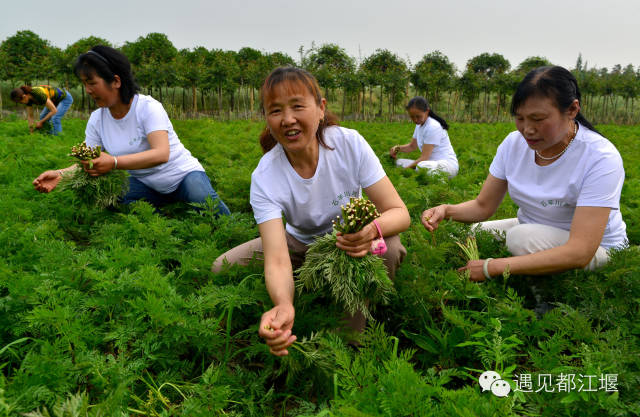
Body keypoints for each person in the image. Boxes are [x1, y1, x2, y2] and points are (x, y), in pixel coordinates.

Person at [211, 67, 410, 356]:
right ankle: (307, 286)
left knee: (388, 249)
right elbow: (278, 259)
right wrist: (283, 303)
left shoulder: (348, 145)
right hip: (299, 242)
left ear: (320, 109)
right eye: (275, 110)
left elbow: (398, 212)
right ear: (267, 119)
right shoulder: (266, 175)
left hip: (348, 240)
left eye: (297, 106)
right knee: (222, 267)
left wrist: (371, 231)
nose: (288, 119)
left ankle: (353, 334)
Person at [421, 66, 627, 281]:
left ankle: (544, 301)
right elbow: (483, 206)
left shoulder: (600, 157)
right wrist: (446, 210)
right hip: (533, 230)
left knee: (521, 238)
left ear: (572, 110)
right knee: (469, 234)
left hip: (596, 248)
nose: (527, 129)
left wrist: (491, 267)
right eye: (520, 118)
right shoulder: (513, 144)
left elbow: (580, 250)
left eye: (538, 119)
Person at [31, 45, 230, 214]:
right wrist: (60, 174)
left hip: (182, 176)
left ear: (116, 81)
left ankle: (227, 226)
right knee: (110, 196)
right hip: (145, 184)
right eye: (84, 84)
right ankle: (159, 223)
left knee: (200, 197)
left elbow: (162, 153)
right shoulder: (96, 119)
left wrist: (114, 162)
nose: (88, 90)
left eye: (92, 83)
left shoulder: (147, 107)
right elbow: (90, 162)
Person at [389, 96, 458, 178]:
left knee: (421, 166)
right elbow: (412, 146)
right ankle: (423, 176)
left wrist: (404, 171)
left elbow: (424, 158)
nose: (415, 120)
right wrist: (397, 148)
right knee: (399, 162)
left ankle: (440, 183)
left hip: (447, 166)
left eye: (418, 116)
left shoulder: (433, 126)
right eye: (412, 117)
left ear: (427, 111)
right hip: (430, 163)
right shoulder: (419, 125)